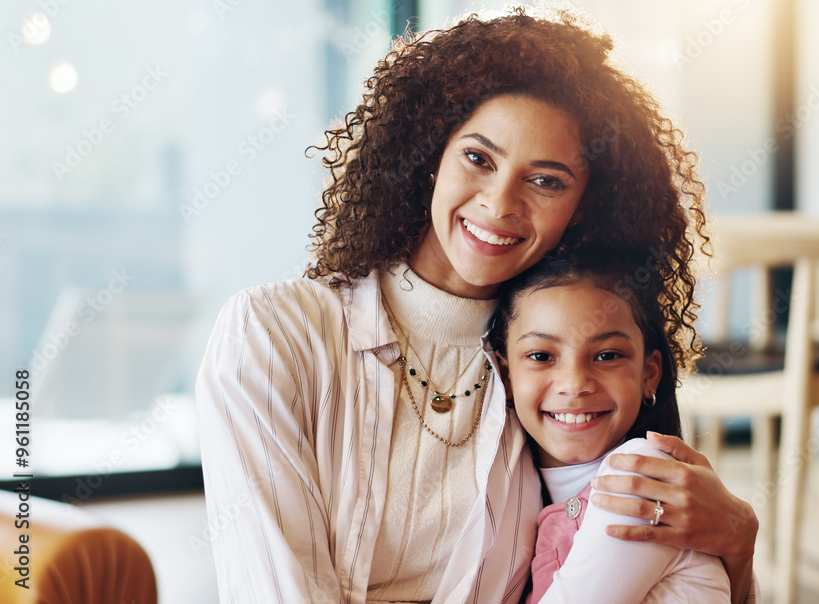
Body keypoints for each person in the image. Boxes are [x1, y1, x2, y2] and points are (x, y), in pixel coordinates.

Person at [195, 6, 758, 604]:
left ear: (584, 207)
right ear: (430, 154)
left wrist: (739, 543)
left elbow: (669, 579)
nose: (500, 203)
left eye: (547, 181)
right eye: (478, 158)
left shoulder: (558, 368)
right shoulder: (273, 332)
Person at [490, 248, 731, 604]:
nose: (574, 383)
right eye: (541, 356)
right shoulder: (522, 494)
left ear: (649, 374)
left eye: (607, 356)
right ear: (506, 375)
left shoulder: (642, 475)